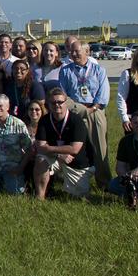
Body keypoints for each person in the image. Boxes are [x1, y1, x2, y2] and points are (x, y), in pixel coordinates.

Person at [57, 40, 110, 188]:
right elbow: (63, 95)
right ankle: (74, 181)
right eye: (71, 52)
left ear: (87, 52)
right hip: (74, 112)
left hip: (95, 112)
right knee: (74, 147)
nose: (73, 54)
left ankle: (104, 182)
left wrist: (92, 109)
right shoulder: (65, 70)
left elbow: (103, 95)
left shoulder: (98, 70)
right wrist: (79, 109)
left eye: (77, 51)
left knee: (100, 148)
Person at [32, 88, 92, 200]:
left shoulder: (76, 120)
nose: (57, 105)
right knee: (41, 160)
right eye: (53, 102)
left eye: (60, 102)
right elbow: (40, 147)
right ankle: (40, 197)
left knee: (78, 198)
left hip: (76, 161)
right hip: (55, 157)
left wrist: (49, 148)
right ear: (48, 105)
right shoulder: (44, 121)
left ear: (66, 103)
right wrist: (59, 155)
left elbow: (74, 149)